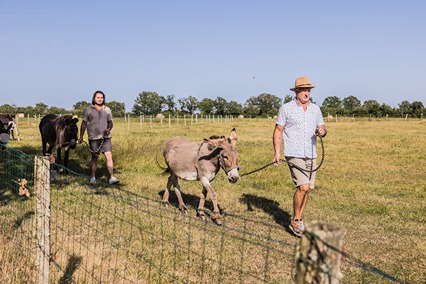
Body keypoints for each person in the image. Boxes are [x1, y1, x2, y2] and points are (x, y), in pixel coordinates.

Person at [272, 76, 327, 237]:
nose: (306, 93)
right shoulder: (286, 108)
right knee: (302, 187)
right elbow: (278, 130)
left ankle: (298, 219)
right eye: (303, 89)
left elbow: (322, 126)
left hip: (311, 153)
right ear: (296, 91)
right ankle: (295, 220)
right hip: (294, 153)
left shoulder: (315, 109)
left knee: (307, 189)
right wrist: (277, 152)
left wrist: (322, 131)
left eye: (308, 90)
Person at [78, 90, 119, 185]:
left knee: (109, 156)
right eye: (98, 97)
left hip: (106, 137)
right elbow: (83, 124)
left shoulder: (107, 109)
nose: (100, 99)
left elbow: (110, 123)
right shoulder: (88, 109)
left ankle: (111, 177)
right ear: (94, 98)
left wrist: (108, 129)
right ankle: (93, 177)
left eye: (101, 98)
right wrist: (81, 137)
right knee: (94, 157)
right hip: (94, 138)